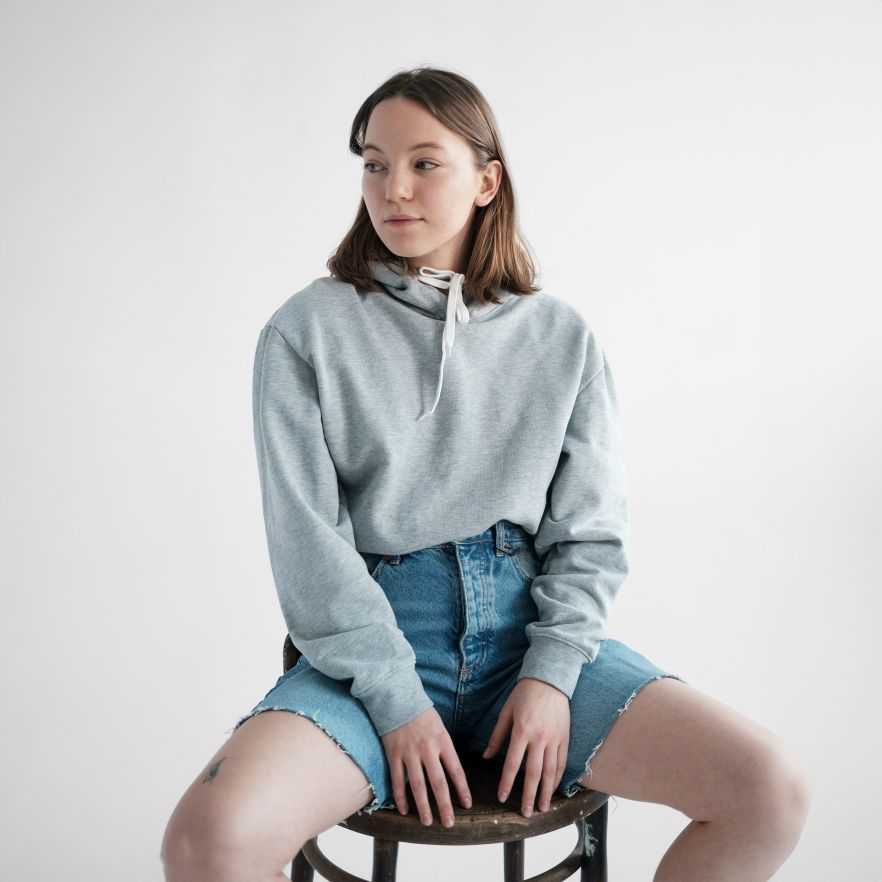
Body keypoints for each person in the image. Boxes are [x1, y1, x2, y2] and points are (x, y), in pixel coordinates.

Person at [161, 66, 812, 882]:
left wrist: (550, 677)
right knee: (207, 841)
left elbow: (591, 532)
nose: (393, 188)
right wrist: (396, 700)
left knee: (769, 790)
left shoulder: (561, 337)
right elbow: (307, 544)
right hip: (372, 646)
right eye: (373, 164)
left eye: (424, 163)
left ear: (486, 182)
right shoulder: (304, 332)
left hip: (528, 636)